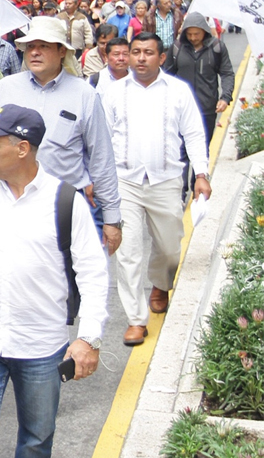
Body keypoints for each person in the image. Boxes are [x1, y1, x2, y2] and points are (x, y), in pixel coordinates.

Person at [0, 105, 108, 458]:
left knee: (36, 440)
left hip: (41, 346)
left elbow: (93, 273)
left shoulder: (66, 202)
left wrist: (89, 337)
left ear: (22, 148)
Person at [0, 16, 123, 251]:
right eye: (30, 47)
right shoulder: (5, 89)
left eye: (43, 46)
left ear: (62, 51)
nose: (34, 52)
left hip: (64, 207)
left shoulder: (84, 95)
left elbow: (101, 159)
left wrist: (112, 218)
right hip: (10, 202)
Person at [105, 33, 211, 346]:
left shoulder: (178, 91)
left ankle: (161, 283)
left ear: (161, 58)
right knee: (128, 253)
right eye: (135, 52)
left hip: (166, 181)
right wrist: (97, 179)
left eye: (147, 53)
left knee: (168, 248)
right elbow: (102, 138)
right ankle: (136, 320)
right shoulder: (113, 93)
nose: (139, 58)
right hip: (125, 182)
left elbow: (193, 133)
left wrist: (201, 174)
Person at [165, 13, 234, 145]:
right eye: (189, 34)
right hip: (181, 110)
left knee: (202, 150)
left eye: (196, 34)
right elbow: (167, 77)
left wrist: (225, 97)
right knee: (180, 153)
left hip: (206, 109)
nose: (193, 38)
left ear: (204, 31)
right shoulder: (176, 48)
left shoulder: (217, 48)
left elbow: (227, 73)